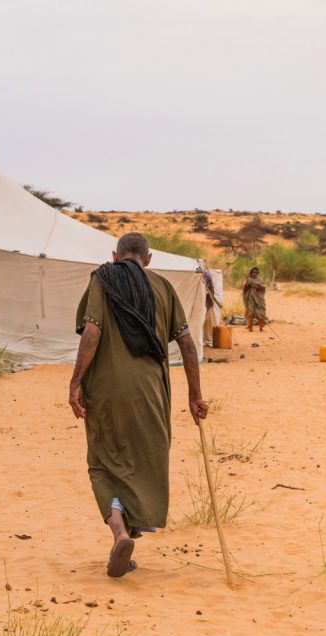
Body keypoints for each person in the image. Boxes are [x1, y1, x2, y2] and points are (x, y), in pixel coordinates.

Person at [69, 233, 208, 578]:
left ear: (115, 255)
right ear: (149, 259)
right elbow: (187, 344)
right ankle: (126, 540)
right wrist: (195, 395)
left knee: (102, 463)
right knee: (140, 463)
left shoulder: (103, 278)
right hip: (152, 393)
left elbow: (92, 332)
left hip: (105, 390)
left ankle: (119, 534)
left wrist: (75, 382)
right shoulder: (163, 286)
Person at [242, 267, 267, 332]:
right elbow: (245, 289)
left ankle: (261, 327)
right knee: (250, 312)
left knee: (261, 312)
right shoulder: (249, 279)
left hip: (259, 299)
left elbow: (264, 288)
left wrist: (259, 287)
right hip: (250, 298)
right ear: (251, 273)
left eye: (256, 272)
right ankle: (250, 327)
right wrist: (248, 285)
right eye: (253, 272)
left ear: (258, 273)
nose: (254, 274)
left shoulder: (260, 280)